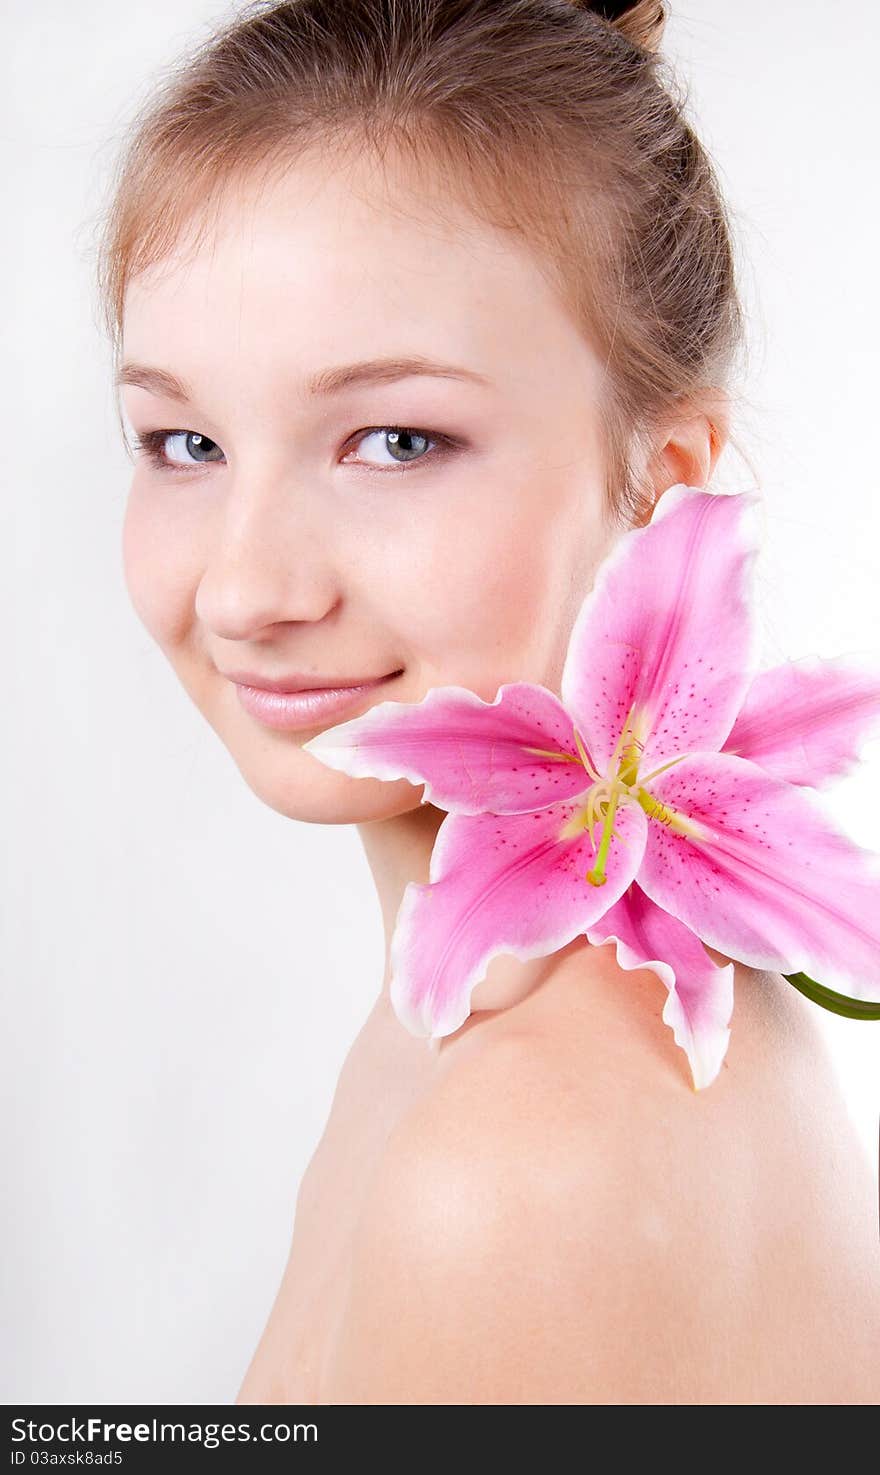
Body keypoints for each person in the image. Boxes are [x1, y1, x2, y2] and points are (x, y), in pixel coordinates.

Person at [96, 0, 880, 1403]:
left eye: (396, 439)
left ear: (668, 481)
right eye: (183, 440)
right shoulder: (451, 1031)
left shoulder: (524, 1164)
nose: (243, 589)